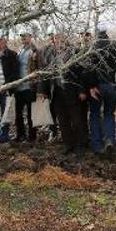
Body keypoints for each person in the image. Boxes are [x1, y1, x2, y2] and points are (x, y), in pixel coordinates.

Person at [37, 29, 92, 158]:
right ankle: (69, 144)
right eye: (56, 38)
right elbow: (44, 73)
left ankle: (81, 144)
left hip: (73, 91)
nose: (58, 40)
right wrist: (41, 90)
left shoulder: (75, 52)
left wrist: (83, 90)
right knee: (63, 120)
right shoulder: (49, 53)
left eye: (60, 37)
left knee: (77, 119)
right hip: (57, 91)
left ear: (65, 38)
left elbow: (84, 72)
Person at [86, 23, 116, 157]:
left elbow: (89, 69)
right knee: (109, 114)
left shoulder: (93, 46)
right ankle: (109, 140)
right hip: (111, 85)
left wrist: (91, 86)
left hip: (96, 86)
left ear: (96, 32)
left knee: (95, 114)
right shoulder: (115, 45)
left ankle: (97, 145)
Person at [14, 28, 38, 142]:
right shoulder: (19, 50)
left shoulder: (34, 50)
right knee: (18, 114)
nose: (23, 38)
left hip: (30, 87)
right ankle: (20, 135)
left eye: (26, 36)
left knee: (30, 113)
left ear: (30, 36)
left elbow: (38, 68)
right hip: (18, 87)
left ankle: (32, 136)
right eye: (22, 36)